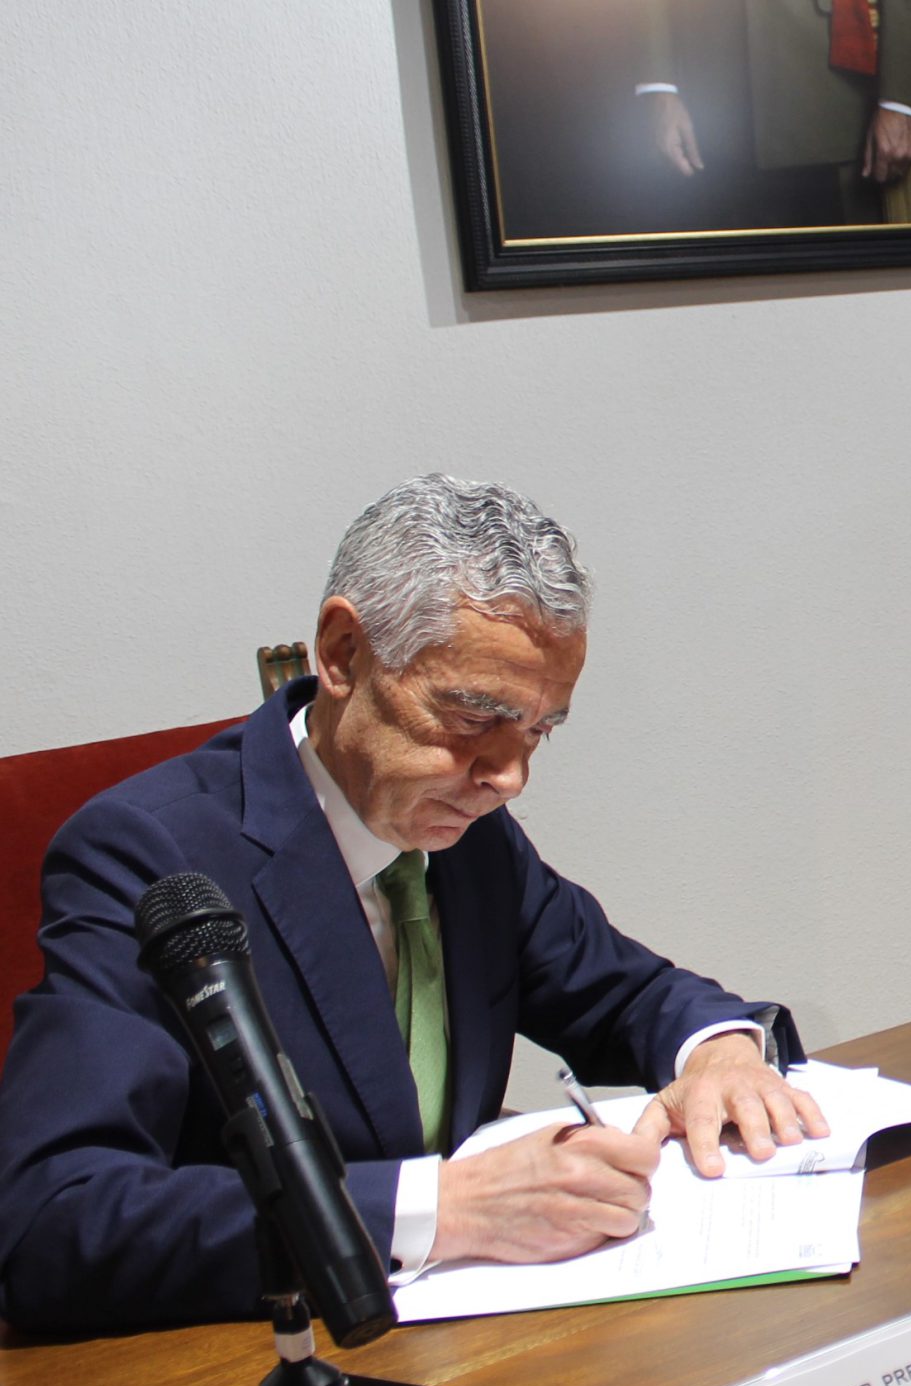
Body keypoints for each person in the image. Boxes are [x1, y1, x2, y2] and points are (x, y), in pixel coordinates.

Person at [0, 476, 828, 1332]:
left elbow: (626, 992)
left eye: (539, 729)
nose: (510, 777)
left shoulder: (468, 838)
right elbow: (51, 1219)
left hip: (472, 1341)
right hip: (259, 1363)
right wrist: (444, 1208)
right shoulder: (147, 854)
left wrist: (719, 1054)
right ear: (343, 655)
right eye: (472, 718)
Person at [638, 0, 911, 227]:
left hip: (838, 101)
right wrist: (658, 85)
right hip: (710, 99)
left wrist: (901, 98)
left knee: (858, 281)